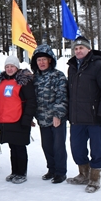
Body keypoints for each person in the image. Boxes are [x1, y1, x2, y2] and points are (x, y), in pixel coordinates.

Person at [66, 36, 101, 193]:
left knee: (96, 149)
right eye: (76, 48)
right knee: (77, 148)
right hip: (76, 117)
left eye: (81, 48)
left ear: (88, 49)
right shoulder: (72, 67)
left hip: (94, 117)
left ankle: (94, 178)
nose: (78, 51)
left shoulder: (99, 65)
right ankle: (83, 173)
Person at [0, 55, 37, 184]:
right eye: (7, 66)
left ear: (17, 68)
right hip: (6, 120)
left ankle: (22, 172)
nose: (9, 69)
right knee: (12, 147)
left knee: (20, 147)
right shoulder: (2, 81)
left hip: (19, 119)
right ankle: (15, 171)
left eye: (12, 66)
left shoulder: (24, 81)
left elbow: (31, 101)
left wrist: (27, 118)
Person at [30, 44, 68, 184]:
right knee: (46, 145)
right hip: (42, 118)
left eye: (44, 59)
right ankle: (51, 169)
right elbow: (31, 99)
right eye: (39, 60)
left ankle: (60, 172)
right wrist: (30, 116)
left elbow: (62, 96)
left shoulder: (58, 76)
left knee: (58, 146)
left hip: (56, 118)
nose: (41, 62)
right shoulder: (34, 78)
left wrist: (58, 115)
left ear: (50, 60)